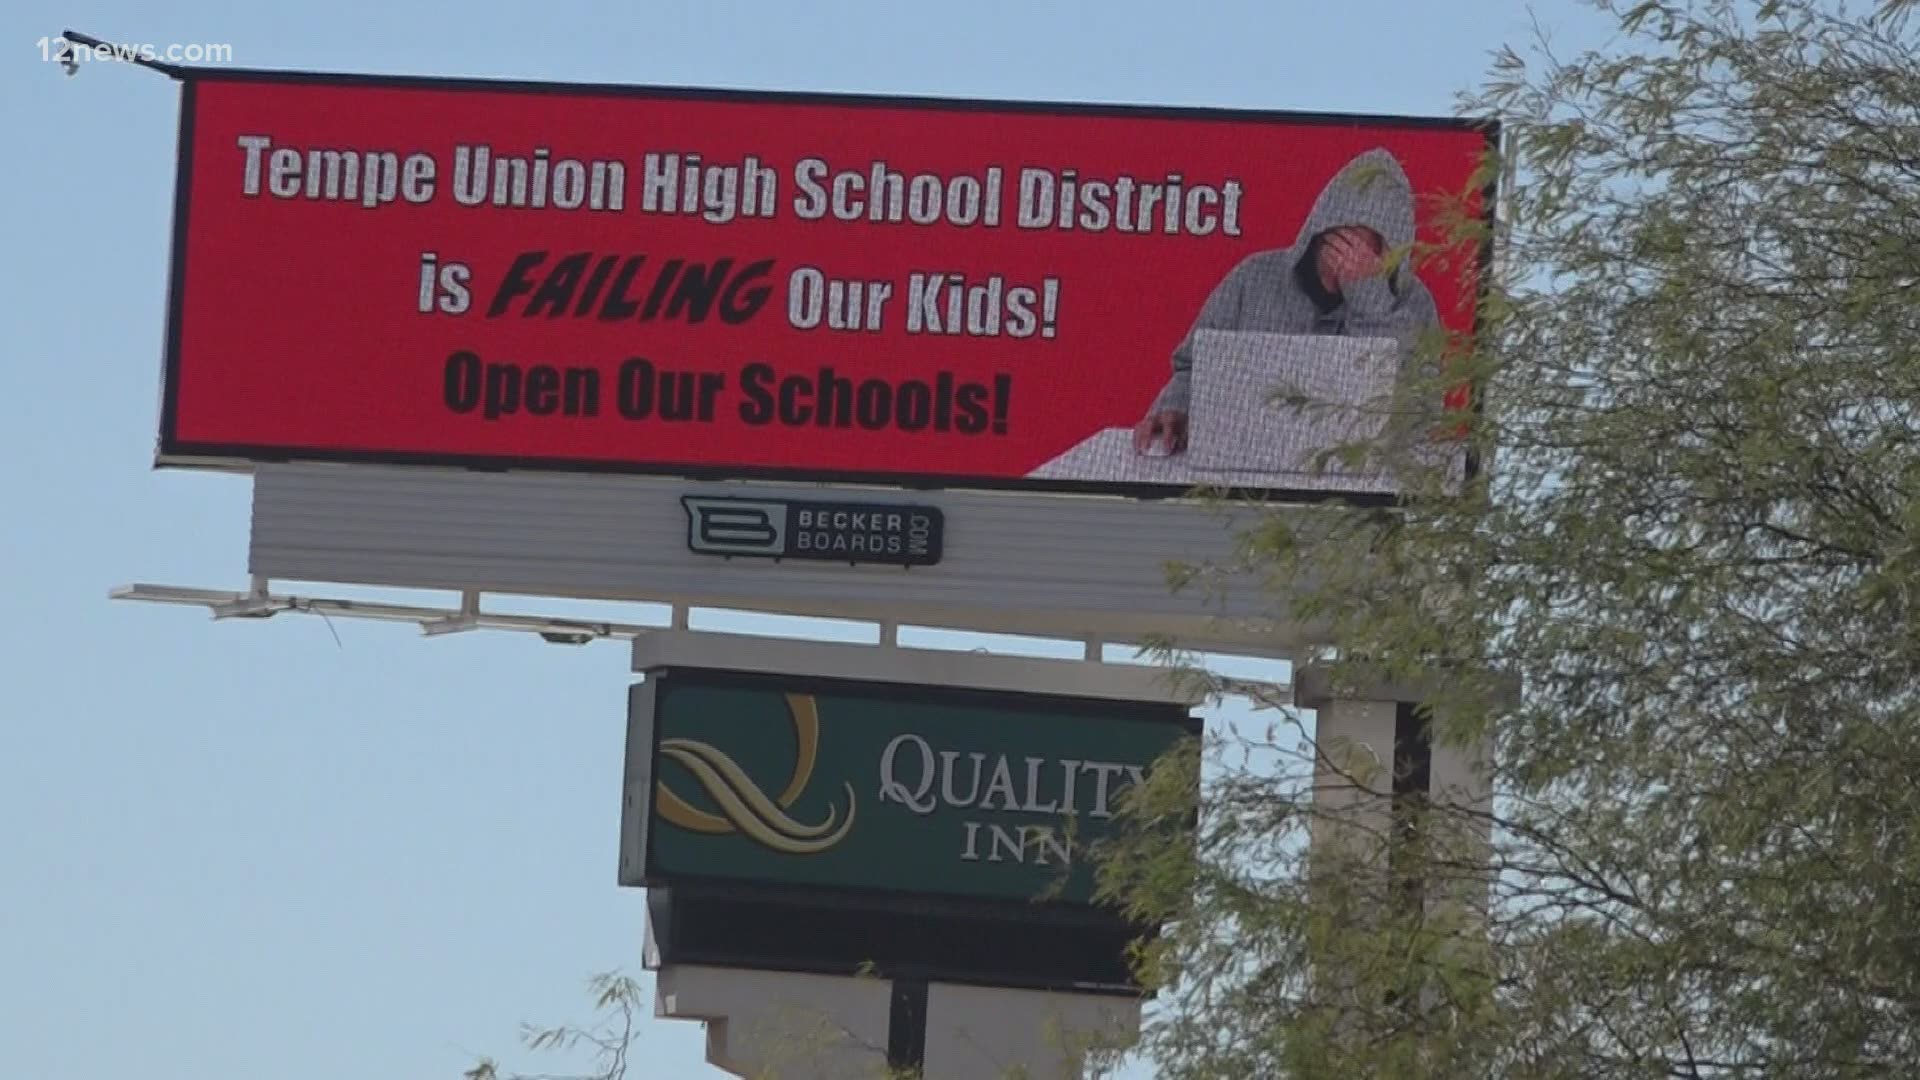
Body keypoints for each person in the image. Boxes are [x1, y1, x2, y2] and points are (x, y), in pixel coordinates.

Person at [1133, 147, 1441, 455]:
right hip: (1242, 475)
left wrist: (1370, 303)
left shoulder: (1415, 303)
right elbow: (1193, 366)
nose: (1350, 264)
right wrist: (1174, 405)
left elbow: (1419, 419)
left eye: (1369, 256)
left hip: (1359, 488)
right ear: (1320, 232)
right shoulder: (1253, 277)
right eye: (1343, 245)